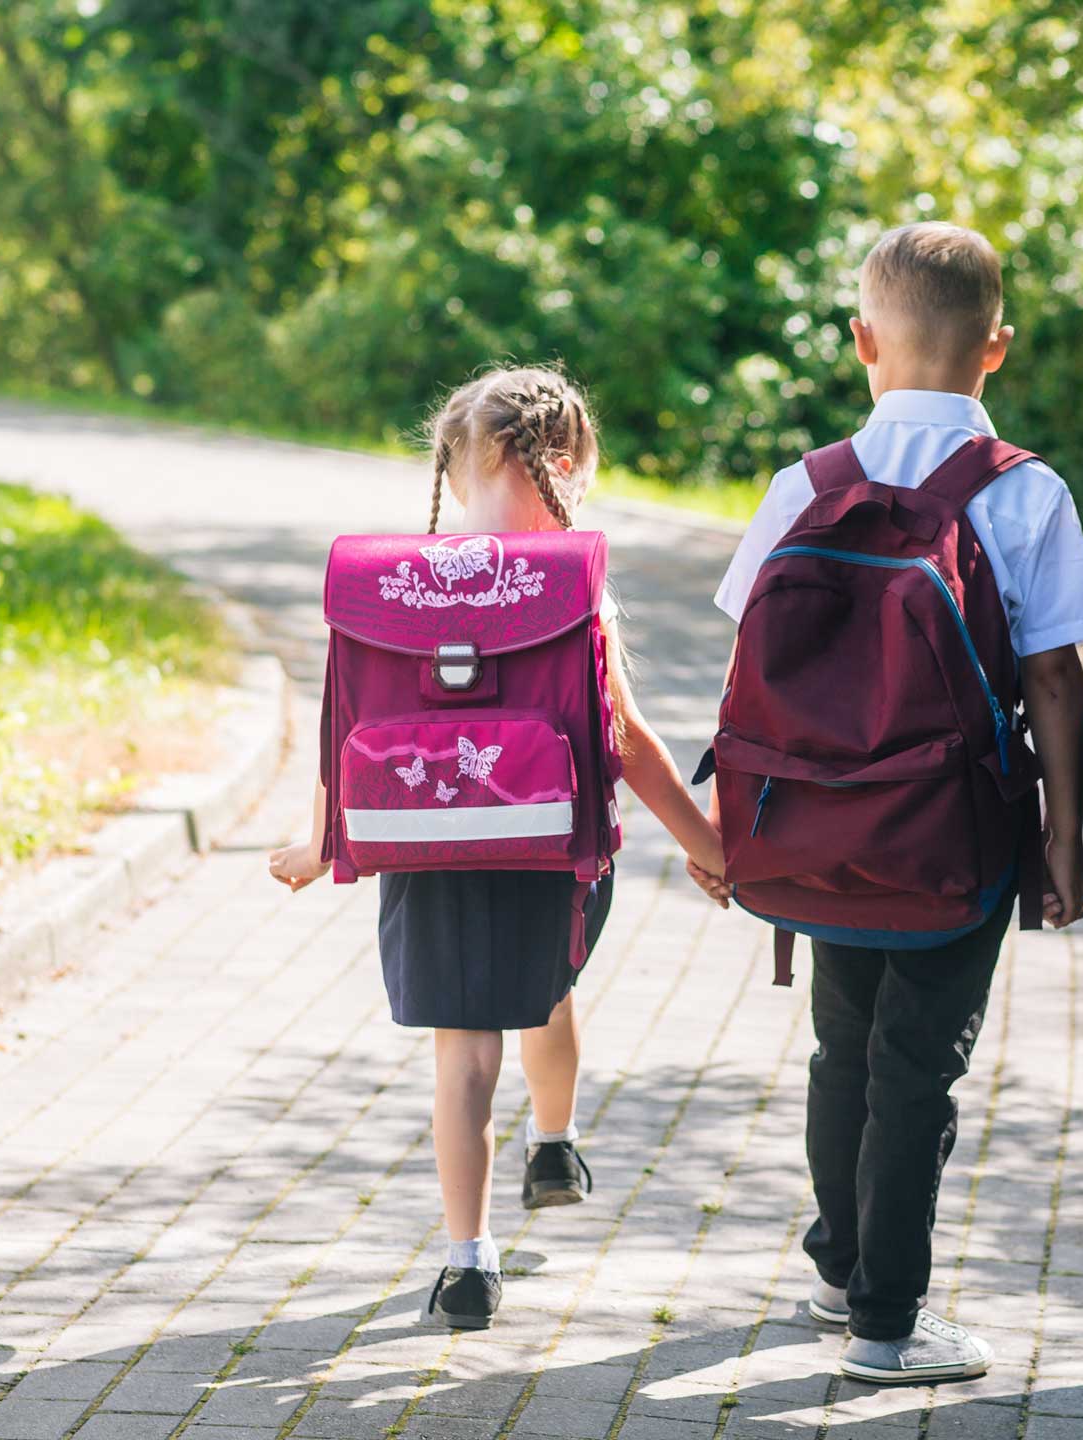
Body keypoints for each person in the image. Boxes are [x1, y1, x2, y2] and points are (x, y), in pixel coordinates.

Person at [694, 222, 1083, 1384]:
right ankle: (886, 1322)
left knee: (844, 1048)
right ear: (998, 350)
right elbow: (1054, 679)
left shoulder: (806, 482)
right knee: (916, 1067)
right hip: (954, 837)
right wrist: (1061, 843)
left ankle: (838, 1266)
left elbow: (749, 662)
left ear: (861, 342)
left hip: (816, 824)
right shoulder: (1021, 492)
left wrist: (736, 826)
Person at [268, 365, 726, 1330]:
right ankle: (554, 1139)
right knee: (543, 997)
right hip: (546, 850)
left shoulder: (394, 585)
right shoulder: (561, 582)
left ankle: (467, 1254)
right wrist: (710, 843)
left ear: (451, 461)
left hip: (429, 847)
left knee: (462, 1060)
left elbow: (348, 712)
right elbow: (626, 738)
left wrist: (322, 838)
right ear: (563, 463)